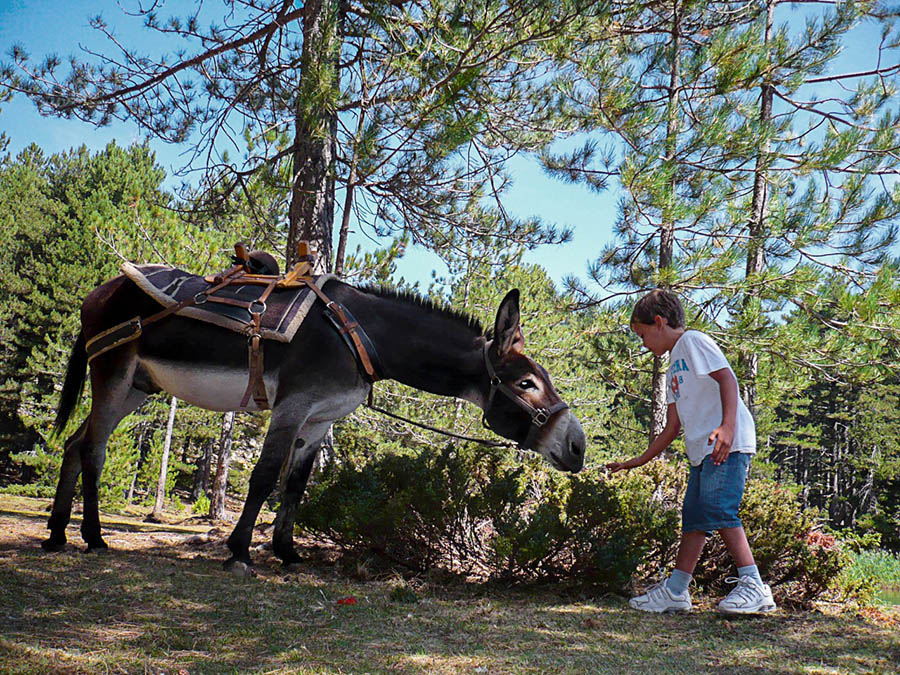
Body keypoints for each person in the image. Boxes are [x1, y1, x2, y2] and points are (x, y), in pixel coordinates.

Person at [606, 289, 776, 614]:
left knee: (719, 508)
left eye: (642, 335)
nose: (643, 344)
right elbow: (671, 428)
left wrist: (727, 427)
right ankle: (676, 591)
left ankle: (754, 585)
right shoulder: (673, 368)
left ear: (659, 322)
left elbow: (728, 379)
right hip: (702, 451)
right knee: (695, 518)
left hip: (727, 442)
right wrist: (636, 461)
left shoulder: (693, 341)